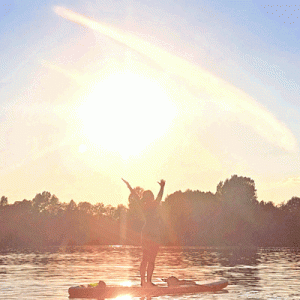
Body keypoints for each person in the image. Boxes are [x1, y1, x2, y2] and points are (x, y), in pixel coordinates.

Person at [122, 178, 165, 287]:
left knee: (150, 260)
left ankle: (147, 282)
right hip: (148, 233)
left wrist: (162, 187)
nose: (150, 198)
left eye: (149, 196)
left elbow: (136, 196)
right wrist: (162, 187)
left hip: (153, 234)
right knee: (146, 259)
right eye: (148, 196)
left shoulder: (149, 204)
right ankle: (144, 282)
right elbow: (136, 196)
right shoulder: (148, 205)